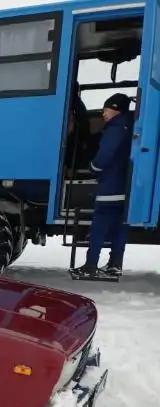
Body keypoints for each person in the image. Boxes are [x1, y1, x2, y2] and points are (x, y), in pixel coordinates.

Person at [71, 93, 133, 278]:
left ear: (116, 109)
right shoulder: (130, 125)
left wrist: (93, 167)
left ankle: (90, 266)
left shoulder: (115, 128)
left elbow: (106, 153)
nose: (103, 114)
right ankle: (115, 264)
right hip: (124, 188)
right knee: (119, 228)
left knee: (98, 227)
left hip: (110, 187)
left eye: (106, 110)